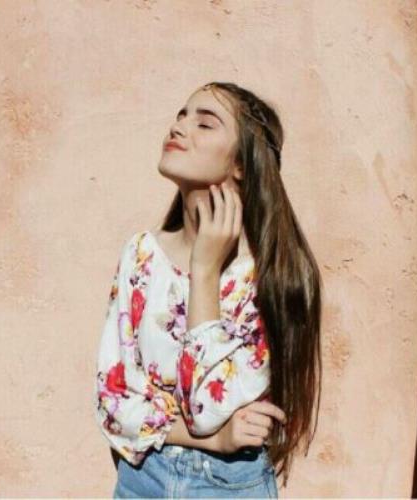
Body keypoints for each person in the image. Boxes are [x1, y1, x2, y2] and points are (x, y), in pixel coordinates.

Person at [94, 82, 323, 498]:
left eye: (205, 123)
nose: (179, 127)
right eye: (181, 115)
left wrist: (205, 271)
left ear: (241, 163)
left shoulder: (275, 277)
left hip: (230, 485)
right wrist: (214, 440)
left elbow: (207, 409)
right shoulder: (142, 256)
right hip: (143, 480)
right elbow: (114, 402)